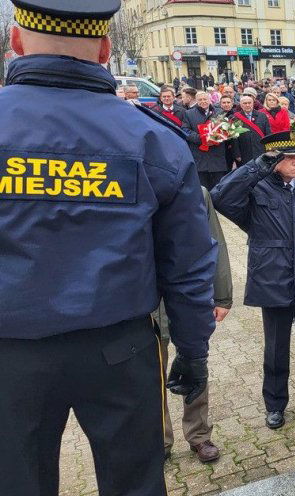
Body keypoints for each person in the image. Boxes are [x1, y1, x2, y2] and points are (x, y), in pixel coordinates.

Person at [0, 0, 216, 493]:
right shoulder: (151, 139)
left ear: (16, 41)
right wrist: (193, 349)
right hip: (119, 352)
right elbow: (187, 264)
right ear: (104, 48)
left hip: (9, 353)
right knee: (134, 483)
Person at [211, 131, 295, 429]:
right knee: (276, 347)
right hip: (274, 277)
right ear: (273, 161)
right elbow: (219, 197)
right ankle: (275, 404)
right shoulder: (256, 189)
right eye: (288, 158)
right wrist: (255, 167)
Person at [158, 186, 231, 463]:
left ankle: (199, 434)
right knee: (150, 372)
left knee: (195, 364)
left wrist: (222, 295)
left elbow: (216, 242)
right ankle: (159, 440)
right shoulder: (131, 186)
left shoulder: (196, 193)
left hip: (189, 296)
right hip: (145, 299)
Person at [183, 91, 230, 189]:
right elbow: (185, 130)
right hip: (200, 157)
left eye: (205, 99)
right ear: (196, 101)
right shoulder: (189, 113)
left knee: (218, 188)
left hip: (217, 157)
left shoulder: (220, 112)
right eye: (200, 100)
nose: (203, 101)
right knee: (203, 189)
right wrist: (201, 138)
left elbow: (226, 129)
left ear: (209, 100)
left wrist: (216, 138)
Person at [232, 95, 272, 167]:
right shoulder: (235, 118)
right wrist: (237, 154)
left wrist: (269, 150)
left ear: (253, 104)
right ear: (241, 105)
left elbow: (268, 134)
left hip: (260, 150)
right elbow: (234, 138)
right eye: (245, 103)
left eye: (249, 103)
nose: (247, 105)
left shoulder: (262, 116)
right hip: (244, 152)